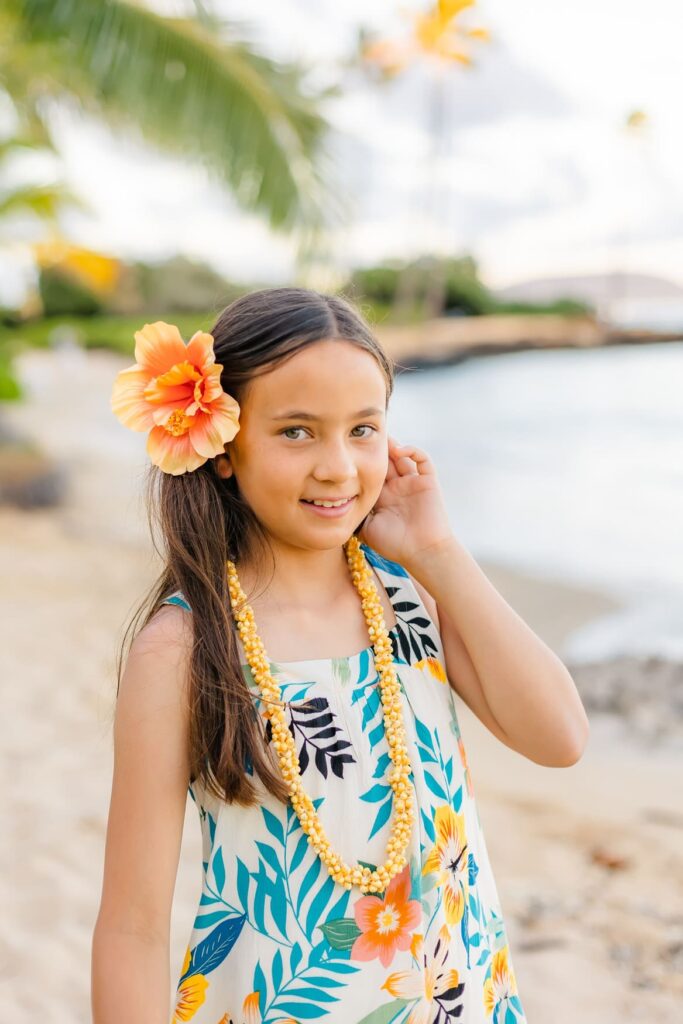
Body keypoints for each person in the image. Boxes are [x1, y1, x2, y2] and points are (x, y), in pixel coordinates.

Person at [91, 287, 589, 1024]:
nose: (337, 467)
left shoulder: (411, 598)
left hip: (458, 1000)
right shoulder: (185, 649)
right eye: (296, 432)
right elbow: (132, 925)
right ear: (224, 448)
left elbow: (560, 738)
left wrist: (438, 553)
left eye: (363, 430)